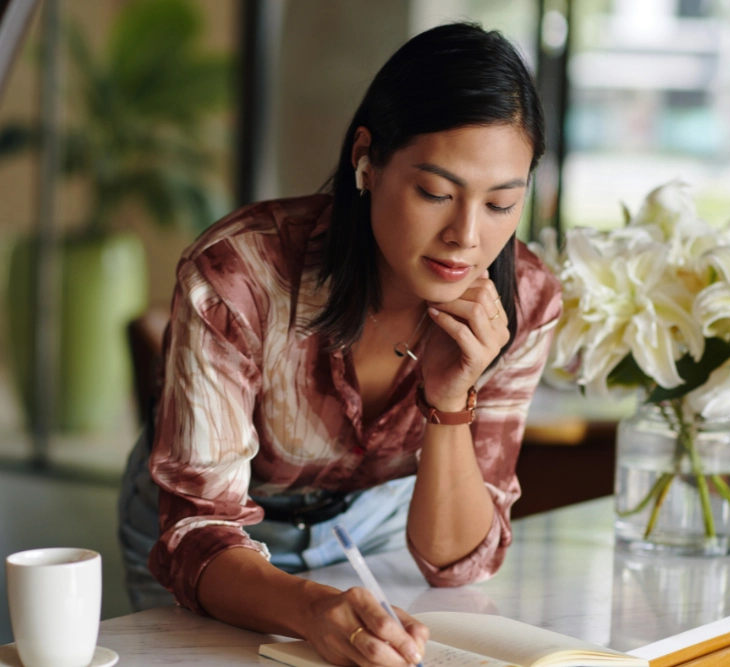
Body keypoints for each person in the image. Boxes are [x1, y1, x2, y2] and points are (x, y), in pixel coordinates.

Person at [118, 21, 561, 667]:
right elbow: (197, 534)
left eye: (500, 204)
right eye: (436, 192)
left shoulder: (525, 298)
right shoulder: (241, 275)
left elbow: (456, 561)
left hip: (381, 527)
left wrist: (450, 396)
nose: (466, 235)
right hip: (220, 537)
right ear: (366, 159)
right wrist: (312, 608)